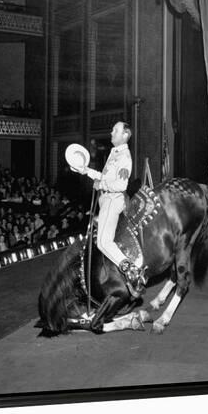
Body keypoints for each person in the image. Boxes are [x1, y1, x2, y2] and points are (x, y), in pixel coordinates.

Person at [76, 121, 143, 294]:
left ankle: (132, 270)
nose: (111, 133)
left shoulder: (124, 156)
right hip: (106, 200)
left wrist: (101, 183)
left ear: (125, 135)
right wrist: (85, 170)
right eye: (112, 129)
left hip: (113, 200)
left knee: (103, 242)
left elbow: (120, 185)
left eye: (115, 130)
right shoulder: (114, 153)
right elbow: (103, 176)